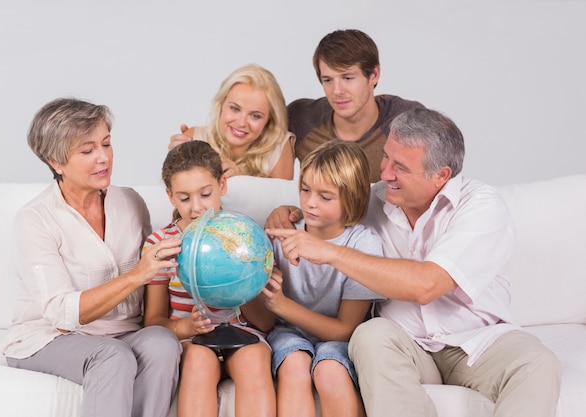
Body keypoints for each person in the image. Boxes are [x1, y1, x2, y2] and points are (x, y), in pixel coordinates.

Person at [265, 108, 562, 417]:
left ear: (441, 175)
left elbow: (427, 285)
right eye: (386, 158)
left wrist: (331, 253)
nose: (385, 173)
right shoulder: (376, 200)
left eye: (400, 167)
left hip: (475, 344)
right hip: (404, 346)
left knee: (538, 364)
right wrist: (287, 211)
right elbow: (332, 206)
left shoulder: (481, 207)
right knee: (370, 335)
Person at [0, 97, 182, 417]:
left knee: (162, 343)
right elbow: (60, 313)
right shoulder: (35, 220)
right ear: (55, 161)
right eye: (87, 150)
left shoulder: (130, 202)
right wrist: (137, 274)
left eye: (106, 144)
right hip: (48, 339)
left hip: (123, 332)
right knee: (112, 356)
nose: (103, 158)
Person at [143, 140, 276, 417]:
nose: (196, 208)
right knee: (198, 361)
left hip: (245, 331)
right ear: (169, 196)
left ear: (222, 185)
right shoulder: (161, 245)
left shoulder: (244, 236)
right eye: (184, 198)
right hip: (192, 340)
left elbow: (264, 322)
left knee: (254, 359)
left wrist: (240, 283)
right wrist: (186, 327)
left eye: (205, 194)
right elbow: (153, 322)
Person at [262, 141, 385, 417]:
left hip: (340, 339)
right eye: (305, 189)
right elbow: (264, 320)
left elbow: (344, 329)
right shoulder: (281, 233)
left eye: (325, 197)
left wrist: (281, 305)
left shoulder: (363, 246)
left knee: (330, 371)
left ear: (351, 199)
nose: (310, 203)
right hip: (288, 334)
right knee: (293, 363)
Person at [289, 28, 425, 183]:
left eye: (347, 78)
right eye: (328, 80)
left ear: (374, 75)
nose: (337, 91)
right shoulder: (300, 117)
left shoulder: (407, 118)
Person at [168, 63, 295, 180]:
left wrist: (240, 178)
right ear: (222, 103)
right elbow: (177, 196)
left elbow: (283, 202)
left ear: (269, 119)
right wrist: (171, 162)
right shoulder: (193, 138)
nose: (241, 123)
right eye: (235, 109)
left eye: (255, 116)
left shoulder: (278, 146)